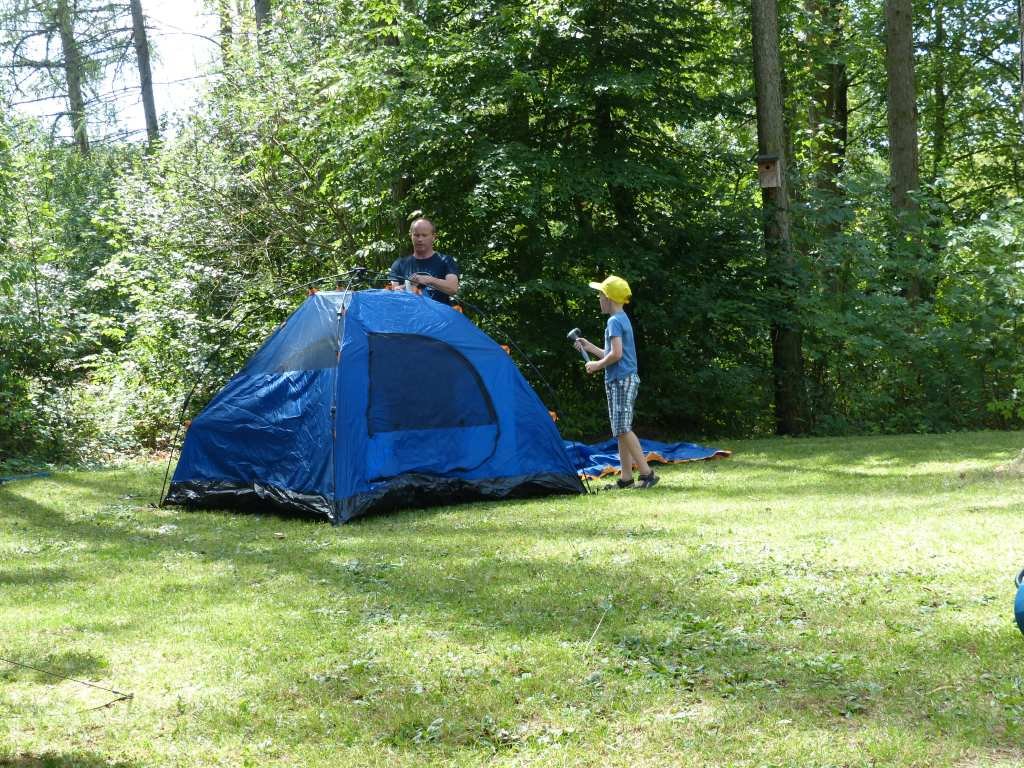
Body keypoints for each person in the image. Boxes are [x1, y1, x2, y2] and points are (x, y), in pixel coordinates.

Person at [573, 275, 659, 490]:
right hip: (619, 379)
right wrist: (590, 348)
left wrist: (596, 365)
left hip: (621, 380)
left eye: (600, 295)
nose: (599, 299)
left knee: (623, 428)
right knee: (620, 430)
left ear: (609, 298)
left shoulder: (613, 321)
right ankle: (626, 478)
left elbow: (616, 355)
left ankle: (647, 474)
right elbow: (611, 353)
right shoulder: (621, 318)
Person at [388, 218, 460, 305]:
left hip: (438, 313)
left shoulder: (445, 261)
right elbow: (394, 296)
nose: (420, 239)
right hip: (409, 312)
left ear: (433, 237)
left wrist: (428, 280)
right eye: (416, 235)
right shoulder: (399, 264)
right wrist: (408, 285)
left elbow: (453, 288)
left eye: (424, 235)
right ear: (411, 236)